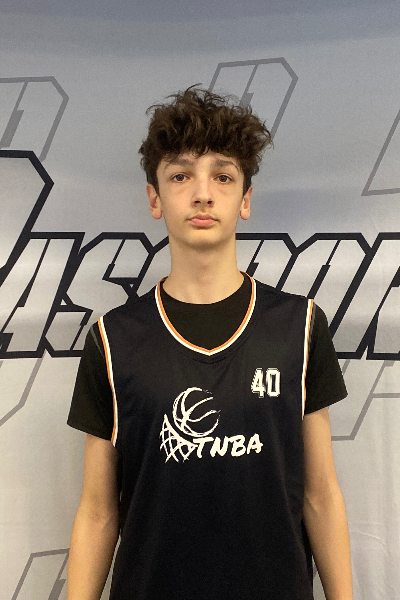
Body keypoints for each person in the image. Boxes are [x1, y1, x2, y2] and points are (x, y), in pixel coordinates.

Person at [66, 84, 353, 600]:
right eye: (180, 175)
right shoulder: (113, 340)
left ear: (245, 200)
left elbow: (320, 495)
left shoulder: (300, 326)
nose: (202, 193)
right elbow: (98, 511)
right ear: (155, 198)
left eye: (223, 176)